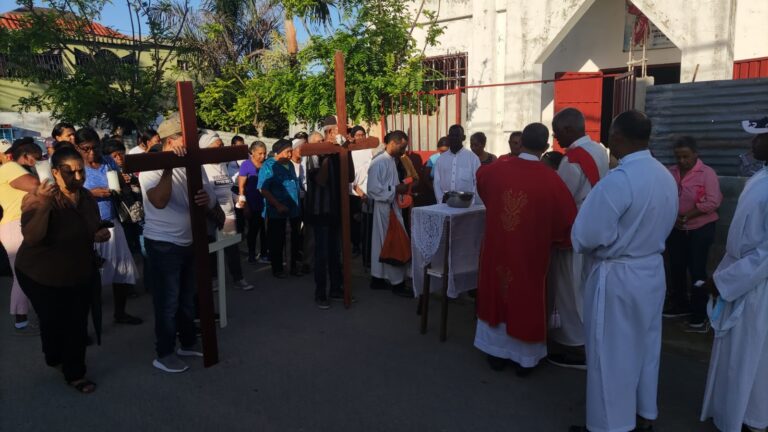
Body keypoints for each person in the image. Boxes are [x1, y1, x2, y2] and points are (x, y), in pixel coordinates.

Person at [569, 110, 678, 432]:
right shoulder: (663, 175)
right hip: (651, 271)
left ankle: (609, 426)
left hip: (617, 275)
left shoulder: (621, 179)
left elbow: (587, 235)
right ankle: (644, 412)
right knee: (645, 346)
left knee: (610, 354)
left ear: (617, 137)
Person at [473, 122, 576, 376]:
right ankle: (524, 359)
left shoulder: (493, 170)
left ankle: (495, 352)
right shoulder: (552, 180)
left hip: (498, 246)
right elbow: (566, 219)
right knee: (525, 296)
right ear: (545, 146)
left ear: (522, 142)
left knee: (497, 290)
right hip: (530, 252)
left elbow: (483, 188)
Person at [15, 147, 109, 393]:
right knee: (54, 321)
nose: (78, 178)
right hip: (39, 274)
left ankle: (75, 373)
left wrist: (99, 234)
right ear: (55, 172)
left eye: (81, 172)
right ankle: (53, 354)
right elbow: (33, 237)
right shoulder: (37, 198)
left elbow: (92, 227)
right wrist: (45, 205)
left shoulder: (86, 197)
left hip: (76, 271)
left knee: (75, 322)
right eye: (70, 172)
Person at [699, 118, 768, 432]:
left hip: (755, 286)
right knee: (735, 354)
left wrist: (725, 281)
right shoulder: (761, 178)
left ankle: (748, 418)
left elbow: (765, 254)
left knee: (751, 354)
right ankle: (731, 412)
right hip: (740, 275)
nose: (751, 144)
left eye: (758, 138)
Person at [139, 112, 216, 373]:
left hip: (190, 240)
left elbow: (210, 194)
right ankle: (164, 352)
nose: (193, 140)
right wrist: (170, 166)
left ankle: (186, 342)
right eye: (188, 136)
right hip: (163, 244)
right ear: (172, 140)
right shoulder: (151, 164)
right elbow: (159, 201)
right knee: (168, 301)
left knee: (186, 298)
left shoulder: (195, 161)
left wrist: (209, 200)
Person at [546, 107, 611, 370]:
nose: (556, 137)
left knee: (568, 289)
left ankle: (575, 346)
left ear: (570, 129)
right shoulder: (599, 150)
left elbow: (560, 198)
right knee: (584, 286)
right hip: (594, 227)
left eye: (558, 132)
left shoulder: (572, 160)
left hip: (572, 231)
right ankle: (590, 339)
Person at [75, 128, 141, 325]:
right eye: (86, 149)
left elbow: (119, 182)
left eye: (95, 148)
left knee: (120, 269)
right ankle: (84, 325)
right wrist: (91, 193)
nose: (91, 153)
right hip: (88, 227)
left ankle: (120, 313)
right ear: (77, 148)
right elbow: (69, 195)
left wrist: (120, 184)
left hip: (112, 221)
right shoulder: (76, 167)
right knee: (88, 278)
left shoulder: (108, 161)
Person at [663, 136, 722, 332]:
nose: (681, 161)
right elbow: (664, 197)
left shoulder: (707, 174)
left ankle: (699, 313)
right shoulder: (671, 173)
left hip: (701, 228)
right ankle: (679, 304)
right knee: (677, 266)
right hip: (677, 227)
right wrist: (674, 217)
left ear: (695, 154)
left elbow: (713, 202)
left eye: (686, 156)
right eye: (678, 157)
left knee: (697, 269)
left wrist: (688, 214)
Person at [305, 117, 354, 308]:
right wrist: (328, 154)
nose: (341, 135)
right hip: (320, 211)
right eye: (337, 131)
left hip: (336, 210)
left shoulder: (339, 152)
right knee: (322, 253)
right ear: (328, 133)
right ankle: (320, 292)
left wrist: (345, 152)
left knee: (336, 252)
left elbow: (349, 176)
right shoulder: (314, 153)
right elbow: (321, 180)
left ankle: (336, 287)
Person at [199, 131, 253, 290]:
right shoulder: (202, 167)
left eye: (222, 145)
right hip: (212, 216)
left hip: (229, 216)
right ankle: (214, 280)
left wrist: (238, 199)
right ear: (205, 149)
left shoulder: (222, 165)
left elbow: (227, 189)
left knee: (232, 249)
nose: (221, 149)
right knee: (212, 251)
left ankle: (238, 278)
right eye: (217, 146)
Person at [0, 139, 42, 334]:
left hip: (17, 225)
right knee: (23, 273)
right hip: (16, 224)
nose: (39, 163)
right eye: (37, 159)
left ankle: (23, 317)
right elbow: (35, 185)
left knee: (25, 272)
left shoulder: (12, 168)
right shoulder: (10, 167)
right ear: (24, 156)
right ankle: (21, 318)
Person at [368, 131, 412, 297]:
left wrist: (398, 189)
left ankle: (377, 279)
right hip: (384, 207)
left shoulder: (392, 160)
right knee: (394, 242)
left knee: (382, 243)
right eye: (403, 146)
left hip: (392, 205)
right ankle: (397, 283)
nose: (405, 150)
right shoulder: (379, 162)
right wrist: (395, 189)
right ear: (394, 142)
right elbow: (372, 189)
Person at [258, 138, 301, 279]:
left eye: (291, 151)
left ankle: (292, 266)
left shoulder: (290, 164)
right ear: (278, 152)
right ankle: (277, 268)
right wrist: (277, 204)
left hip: (293, 209)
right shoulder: (269, 166)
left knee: (295, 239)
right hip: (277, 211)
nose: (290, 155)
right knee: (277, 240)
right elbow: (263, 189)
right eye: (287, 152)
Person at [103, 139, 143, 255]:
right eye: (114, 156)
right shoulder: (108, 173)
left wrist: (134, 181)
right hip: (123, 216)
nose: (119, 158)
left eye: (121, 154)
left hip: (138, 213)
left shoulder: (132, 167)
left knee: (139, 245)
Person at [433, 125, 481, 204]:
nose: (454, 138)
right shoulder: (440, 160)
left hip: (467, 206)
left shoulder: (473, 159)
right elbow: (437, 182)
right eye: (452, 135)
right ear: (448, 137)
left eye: (457, 135)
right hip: (445, 205)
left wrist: (471, 203)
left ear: (463, 137)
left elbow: (477, 183)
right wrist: (441, 201)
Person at [238, 141, 268, 264]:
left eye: (264, 153)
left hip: (265, 203)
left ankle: (264, 254)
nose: (263, 156)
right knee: (253, 230)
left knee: (265, 230)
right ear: (253, 152)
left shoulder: (266, 164)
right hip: (252, 203)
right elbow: (241, 187)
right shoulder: (246, 165)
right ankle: (251, 254)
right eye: (260, 153)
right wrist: (245, 206)